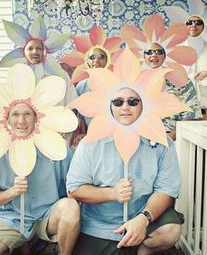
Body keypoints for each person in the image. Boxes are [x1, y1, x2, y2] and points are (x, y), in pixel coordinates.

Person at [67, 87, 184, 255]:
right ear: (110, 106)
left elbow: (166, 189)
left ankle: (143, 251)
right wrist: (112, 193)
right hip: (100, 225)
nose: (125, 107)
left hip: (145, 216)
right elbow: (74, 189)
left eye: (133, 101)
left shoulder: (162, 141)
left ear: (144, 104)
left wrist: (144, 219)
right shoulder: (90, 142)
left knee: (170, 231)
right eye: (118, 102)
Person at [0, 102, 80, 255]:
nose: (21, 121)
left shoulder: (57, 148)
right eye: (15, 114)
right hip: (12, 220)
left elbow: (75, 188)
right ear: (7, 118)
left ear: (36, 117)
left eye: (27, 114)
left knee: (71, 207)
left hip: (48, 217)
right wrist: (12, 192)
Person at [144, 43, 202, 140]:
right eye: (149, 52)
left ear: (164, 56)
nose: (154, 55)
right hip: (145, 139)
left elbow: (190, 112)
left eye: (159, 52)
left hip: (175, 138)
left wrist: (172, 137)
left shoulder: (181, 80)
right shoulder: (137, 81)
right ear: (144, 57)